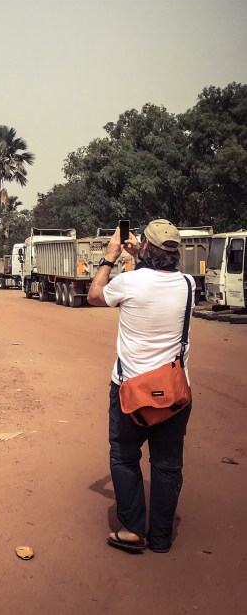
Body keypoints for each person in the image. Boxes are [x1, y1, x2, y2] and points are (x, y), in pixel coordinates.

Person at [88, 219, 195, 555]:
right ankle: (161, 537)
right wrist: (143, 257)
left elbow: (94, 296)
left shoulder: (128, 282)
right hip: (175, 395)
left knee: (124, 457)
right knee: (167, 465)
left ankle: (133, 530)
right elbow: (156, 281)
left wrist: (110, 257)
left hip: (131, 393)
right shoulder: (189, 284)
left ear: (146, 248)